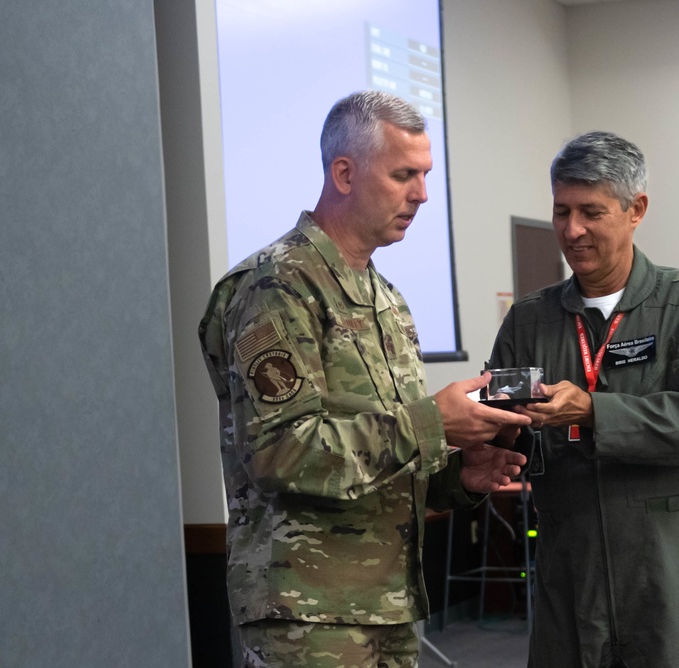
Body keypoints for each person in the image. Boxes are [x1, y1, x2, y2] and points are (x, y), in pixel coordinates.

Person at [198, 90, 530, 668]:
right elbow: (280, 453)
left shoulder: (387, 300)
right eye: (404, 175)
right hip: (307, 617)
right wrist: (433, 421)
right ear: (344, 173)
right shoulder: (277, 287)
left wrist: (460, 475)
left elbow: (386, 464)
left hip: (388, 606)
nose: (422, 194)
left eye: (425, 175)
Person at [487, 131, 679, 668]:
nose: (572, 230)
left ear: (636, 209)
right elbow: (499, 423)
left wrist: (592, 410)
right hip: (569, 574)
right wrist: (493, 430)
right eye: (561, 211)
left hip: (666, 574)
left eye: (591, 212)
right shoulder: (530, 320)